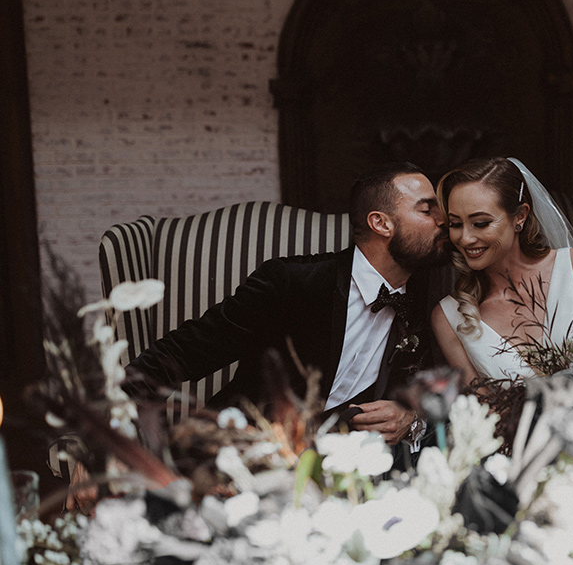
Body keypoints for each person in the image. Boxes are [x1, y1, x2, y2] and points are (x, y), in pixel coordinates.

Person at [123, 161, 449, 443]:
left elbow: (443, 391)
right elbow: (181, 354)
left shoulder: (431, 299)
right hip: (245, 452)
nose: (443, 219)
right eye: (426, 209)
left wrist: (411, 418)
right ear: (381, 223)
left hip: (349, 469)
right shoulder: (290, 284)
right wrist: (99, 436)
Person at [431, 157, 573, 386]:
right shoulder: (448, 318)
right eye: (455, 224)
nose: (465, 238)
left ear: (520, 217)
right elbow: (478, 410)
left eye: (481, 223)